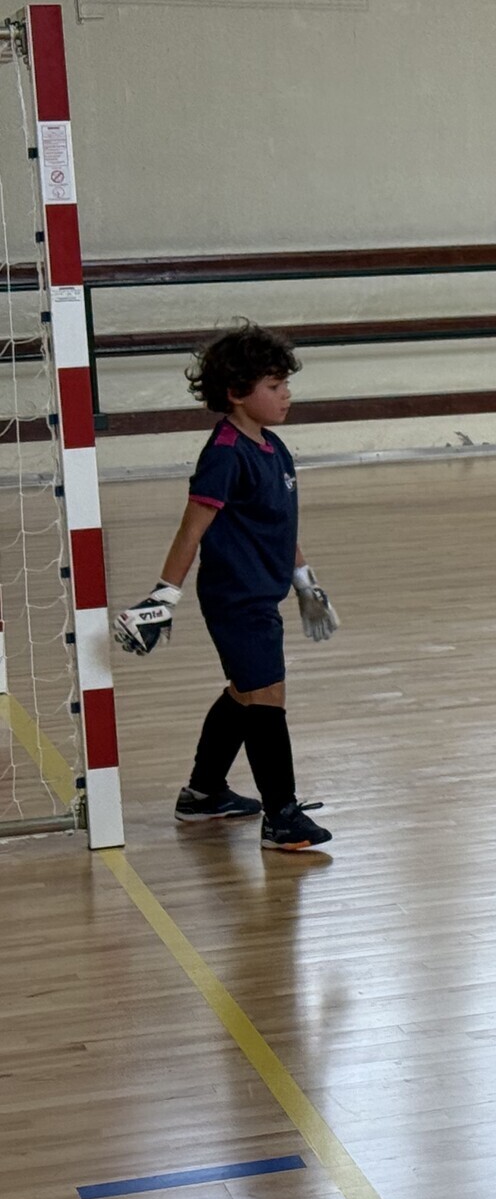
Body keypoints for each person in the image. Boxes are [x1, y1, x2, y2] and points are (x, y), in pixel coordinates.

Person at [111, 324, 338, 852]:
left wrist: (304, 582)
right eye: (274, 385)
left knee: (244, 693)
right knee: (268, 699)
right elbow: (192, 528)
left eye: (285, 385)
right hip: (236, 600)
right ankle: (281, 816)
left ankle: (203, 793)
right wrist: (165, 593)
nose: (286, 395)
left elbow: (282, 526)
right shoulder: (225, 453)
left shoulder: (273, 448)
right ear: (237, 393)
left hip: (263, 594)